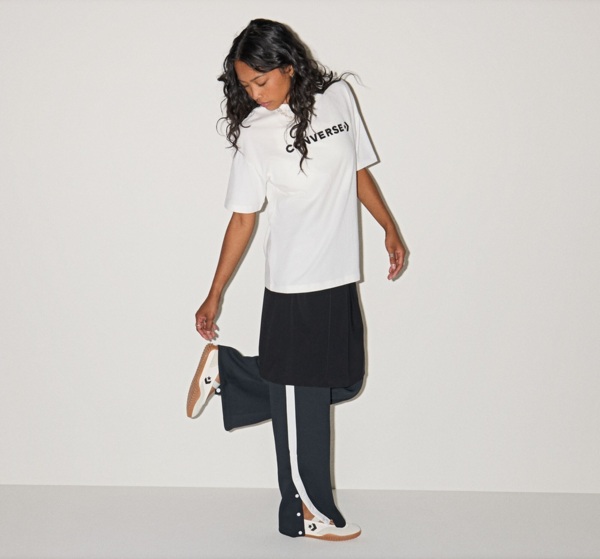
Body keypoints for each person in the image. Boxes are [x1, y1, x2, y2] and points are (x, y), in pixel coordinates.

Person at [187, 18, 405, 541]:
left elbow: (357, 171)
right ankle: (308, 513)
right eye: (245, 85)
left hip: (340, 273)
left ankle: (231, 371)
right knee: (301, 399)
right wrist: (214, 294)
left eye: (260, 81)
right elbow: (243, 219)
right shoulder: (256, 135)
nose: (254, 94)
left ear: (288, 66)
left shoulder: (338, 98)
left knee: (343, 380)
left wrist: (389, 227)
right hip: (294, 283)